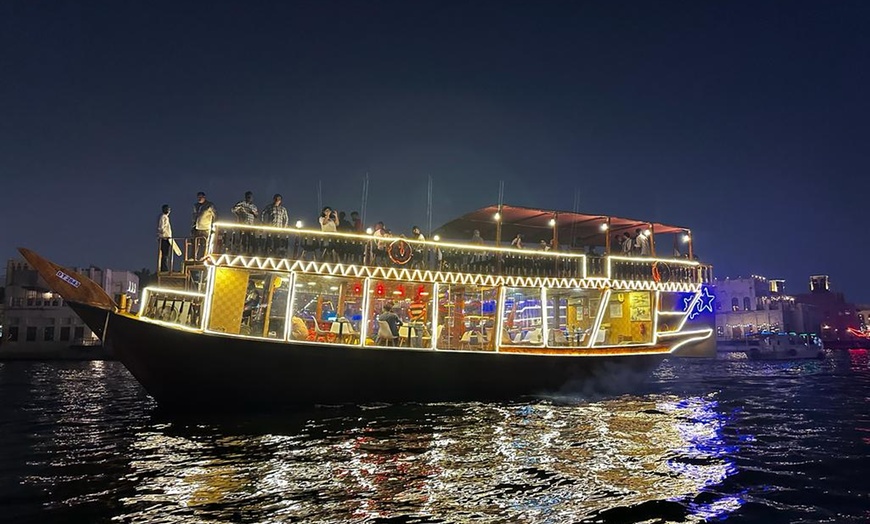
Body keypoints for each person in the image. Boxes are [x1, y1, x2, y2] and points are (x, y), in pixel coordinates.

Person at [192, 191, 217, 259]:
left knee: (204, 244)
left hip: (205, 228)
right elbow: (194, 216)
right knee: (195, 243)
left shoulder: (209, 205)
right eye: (198, 197)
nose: (199, 199)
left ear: (204, 197)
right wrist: (193, 226)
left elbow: (215, 216)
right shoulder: (196, 206)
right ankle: (194, 257)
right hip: (197, 228)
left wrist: (213, 227)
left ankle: (203, 257)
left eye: (201, 197)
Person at [157, 204, 173, 272]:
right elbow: (161, 227)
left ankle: (165, 267)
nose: (168, 210)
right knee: (165, 254)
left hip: (166, 238)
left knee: (166, 254)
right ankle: (164, 268)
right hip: (165, 238)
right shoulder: (163, 217)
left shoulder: (165, 217)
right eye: (167, 209)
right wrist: (163, 235)